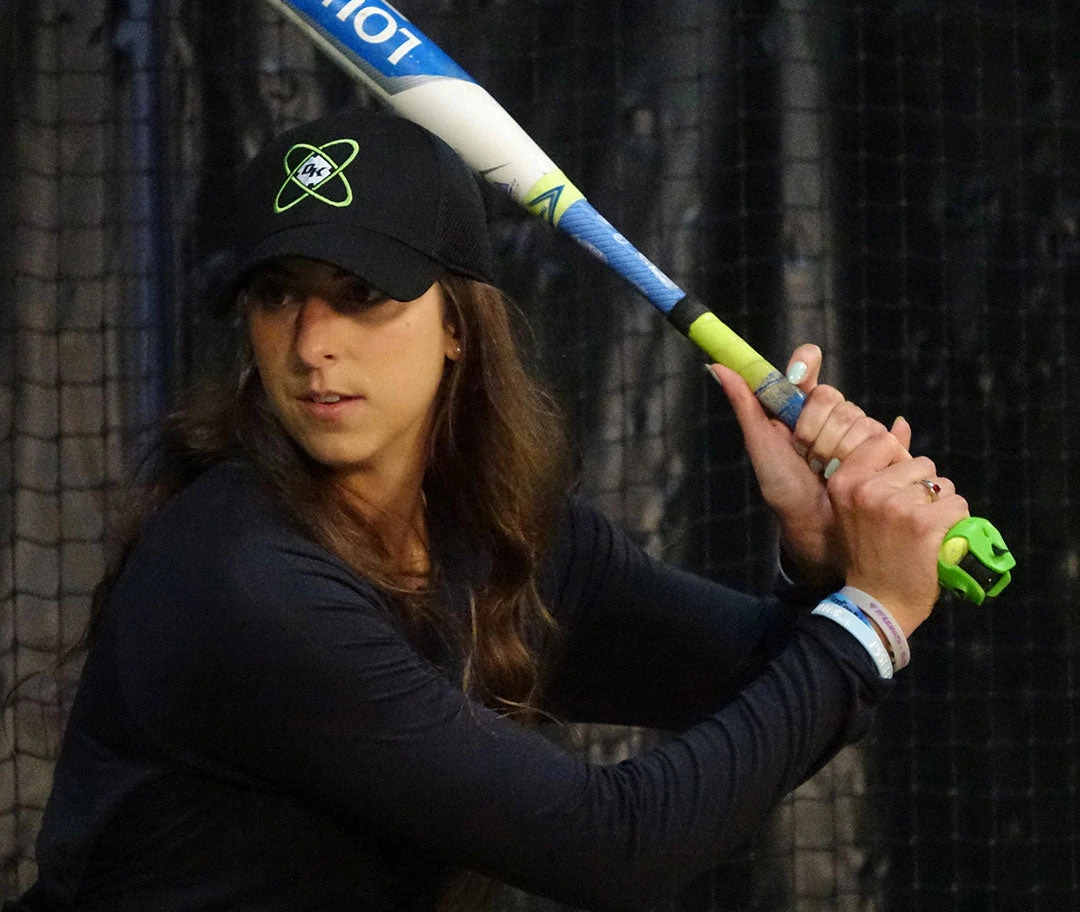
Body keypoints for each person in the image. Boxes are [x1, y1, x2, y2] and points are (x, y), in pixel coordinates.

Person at [9, 107, 967, 912]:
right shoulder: (243, 580)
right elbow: (614, 849)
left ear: (458, 327)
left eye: (362, 293)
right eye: (277, 294)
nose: (310, 345)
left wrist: (822, 562)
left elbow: (770, 692)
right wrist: (869, 611)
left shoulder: (501, 531)